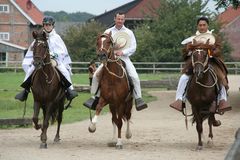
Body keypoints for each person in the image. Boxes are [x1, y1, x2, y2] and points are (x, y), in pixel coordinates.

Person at [83, 12, 148, 111]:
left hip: (124, 58)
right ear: (115, 19)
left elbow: (133, 47)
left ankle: (138, 98)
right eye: (118, 19)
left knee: (134, 77)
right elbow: (103, 45)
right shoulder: (108, 31)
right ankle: (95, 97)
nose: (120, 21)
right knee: (96, 75)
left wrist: (123, 52)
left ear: (124, 20)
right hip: (109, 59)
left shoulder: (129, 32)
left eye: (122, 19)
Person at [170, 16, 231, 114]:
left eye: (204, 25)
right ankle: (180, 100)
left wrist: (211, 50)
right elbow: (185, 52)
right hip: (196, 62)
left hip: (211, 62)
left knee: (221, 77)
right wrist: (190, 49)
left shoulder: (214, 37)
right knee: (184, 78)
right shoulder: (192, 39)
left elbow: (218, 50)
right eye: (200, 25)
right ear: (197, 26)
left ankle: (222, 100)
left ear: (207, 26)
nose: (202, 27)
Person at [15, 16, 78, 101]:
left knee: (63, 70)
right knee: (31, 70)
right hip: (40, 59)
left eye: (49, 25)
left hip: (53, 60)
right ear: (43, 25)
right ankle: (25, 91)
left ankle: (69, 90)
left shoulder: (57, 38)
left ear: (53, 26)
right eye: (46, 24)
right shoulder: (39, 36)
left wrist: (52, 55)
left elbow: (62, 51)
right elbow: (33, 49)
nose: (48, 26)